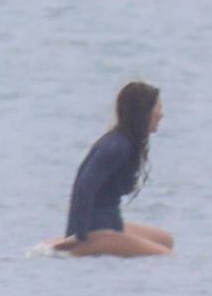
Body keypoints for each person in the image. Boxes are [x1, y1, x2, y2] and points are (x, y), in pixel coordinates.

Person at [51, 81, 174, 257]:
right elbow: (84, 187)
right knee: (166, 256)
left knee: (166, 240)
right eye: (158, 108)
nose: (161, 114)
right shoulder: (117, 147)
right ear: (143, 111)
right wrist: (77, 236)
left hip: (110, 222)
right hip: (96, 230)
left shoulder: (124, 142)